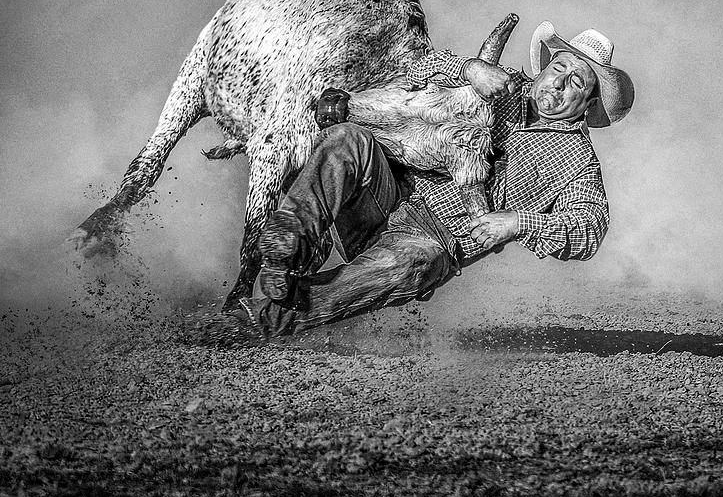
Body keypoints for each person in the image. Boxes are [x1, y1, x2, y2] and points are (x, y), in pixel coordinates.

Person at [235, 21, 634, 338]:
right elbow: (417, 70)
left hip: (432, 239)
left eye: (577, 82)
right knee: (347, 139)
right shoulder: (502, 85)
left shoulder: (577, 163)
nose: (559, 83)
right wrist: (469, 68)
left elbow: (589, 229)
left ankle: (261, 320)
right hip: (386, 192)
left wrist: (516, 223)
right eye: (558, 69)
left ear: (591, 104)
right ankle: (282, 255)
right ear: (544, 68)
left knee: (415, 262)